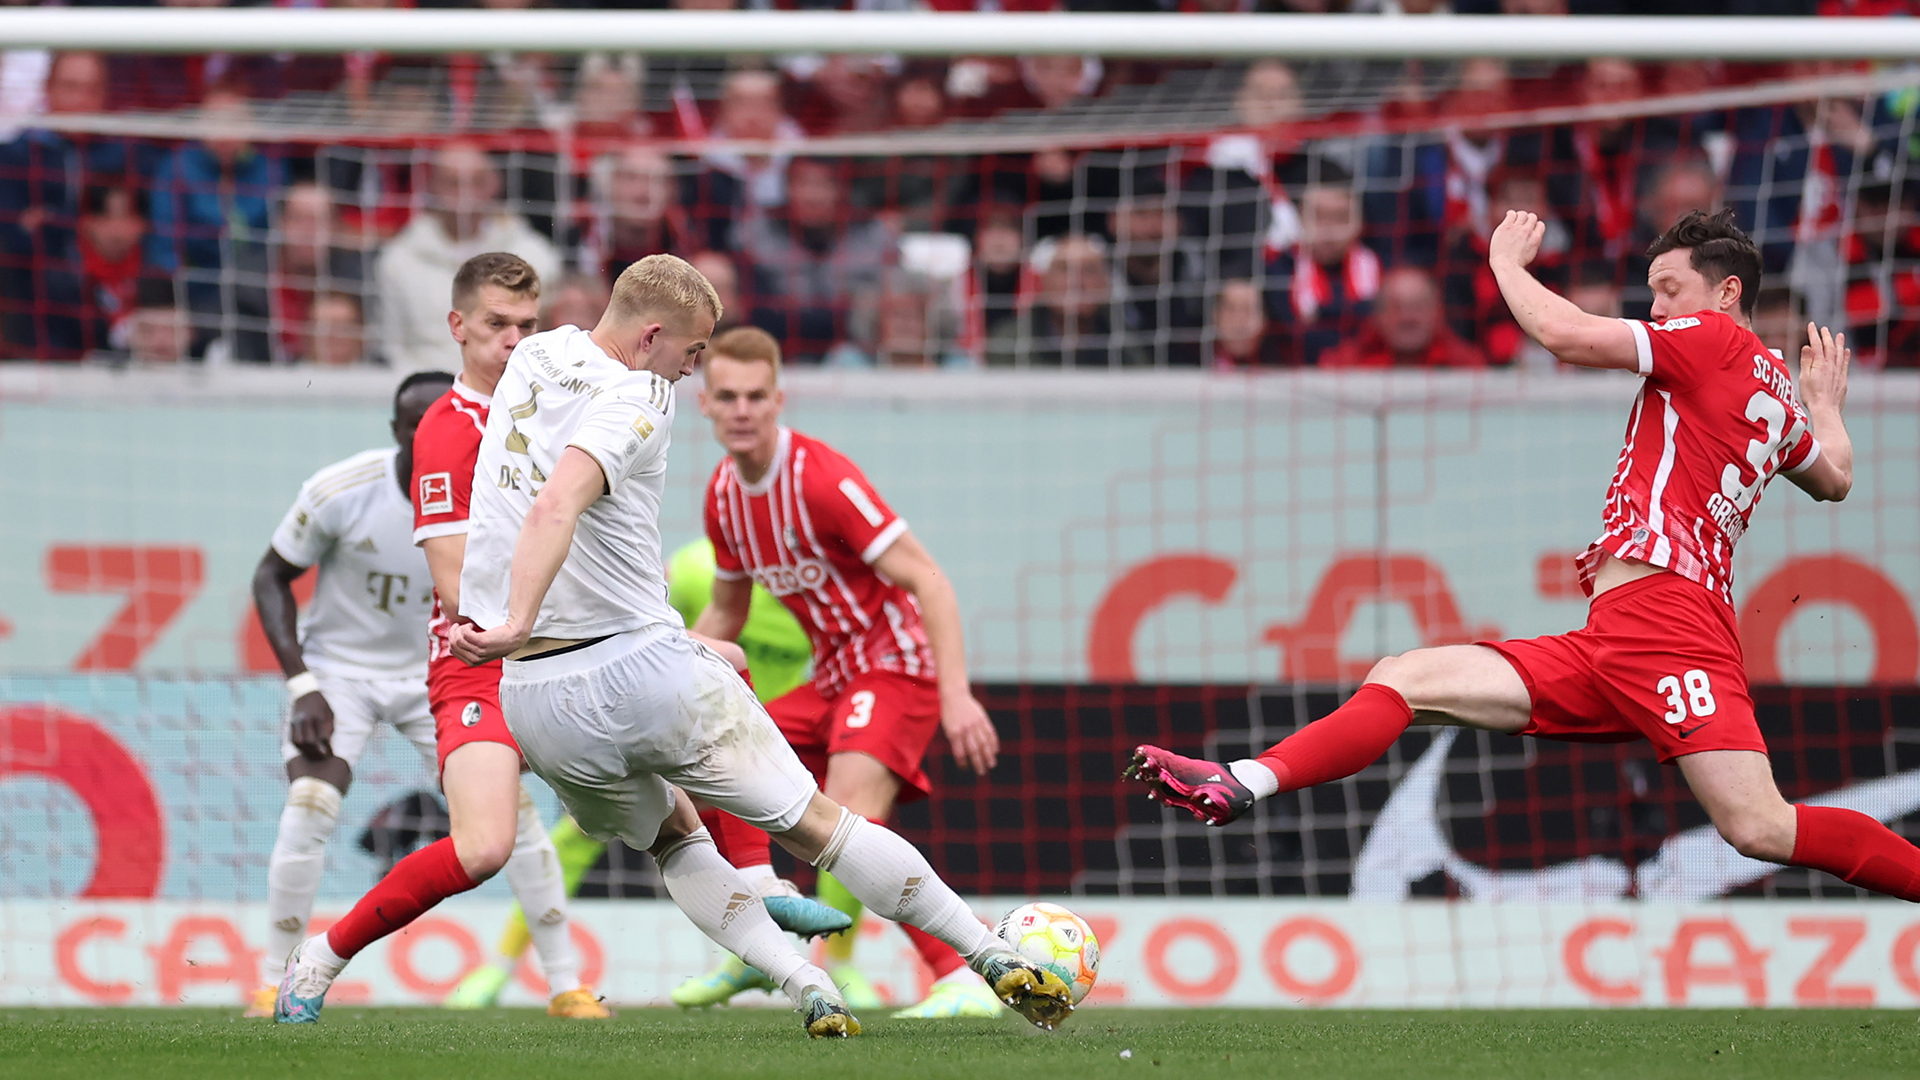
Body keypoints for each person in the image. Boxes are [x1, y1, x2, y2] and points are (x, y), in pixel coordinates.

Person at [276, 253, 1071, 1037]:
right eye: (693, 355)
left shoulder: (540, 353)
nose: (693, 375)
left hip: (535, 697)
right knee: (823, 825)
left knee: (672, 838)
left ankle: (803, 983)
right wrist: (519, 614)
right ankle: (990, 956)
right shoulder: (643, 394)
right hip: (621, 665)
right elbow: (559, 501)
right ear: (653, 336)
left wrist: (521, 629)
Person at [1124, 209, 1920, 912]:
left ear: (1726, 296)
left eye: (1670, 288)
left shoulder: (1709, 340)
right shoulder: (1777, 392)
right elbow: (1836, 477)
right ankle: (1243, 779)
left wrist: (1506, 263)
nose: (1658, 306)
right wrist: (1824, 406)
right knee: (1405, 676)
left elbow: (1568, 335)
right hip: (1620, 635)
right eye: (1652, 290)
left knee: (1760, 826)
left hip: (1667, 624)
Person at [270, 255, 605, 1022]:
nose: (517, 342)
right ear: (458, 329)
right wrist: (302, 683)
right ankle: (281, 970)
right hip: (425, 663)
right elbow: (456, 590)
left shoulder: (555, 423)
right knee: (332, 805)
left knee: (660, 800)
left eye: (528, 325)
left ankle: (763, 945)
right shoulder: (404, 462)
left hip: (543, 649)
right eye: (498, 326)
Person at [671, 326, 1007, 1018]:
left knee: (847, 822)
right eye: (727, 396)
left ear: (778, 400)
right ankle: (761, 928)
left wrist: (956, 694)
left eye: (755, 397)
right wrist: (664, 668)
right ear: (703, 403)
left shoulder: (822, 479)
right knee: (703, 741)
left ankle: (961, 974)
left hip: (893, 667)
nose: (741, 409)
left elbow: (929, 580)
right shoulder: (723, 496)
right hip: (833, 678)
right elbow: (727, 610)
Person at [439, 534, 821, 1011]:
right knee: (581, 835)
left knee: (818, 820)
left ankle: (808, 962)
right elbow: (670, 632)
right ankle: (501, 965)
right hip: (679, 716)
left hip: (760, 730)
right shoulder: (697, 567)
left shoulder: (814, 587)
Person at [244, 371, 451, 1017]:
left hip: (434, 676)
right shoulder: (344, 489)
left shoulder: (488, 495)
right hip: (338, 674)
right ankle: (271, 981)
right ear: (397, 432)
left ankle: (567, 987)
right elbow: (271, 576)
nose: (431, 436)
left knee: (513, 820)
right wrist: (303, 684)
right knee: (310, 802)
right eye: (418, 424)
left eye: (443, 422)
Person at [373, 142, 562, 372]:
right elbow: (393, 348)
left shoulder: (536, 254)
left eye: (477, 181)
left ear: (495, 184)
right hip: (430, 388)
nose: (464, 193)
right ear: (431, 187)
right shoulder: (399, 259)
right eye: (452, 182)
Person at [1319, 267, 1491, 368]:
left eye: (1418, 306)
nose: (1408, 317)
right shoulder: (1344, 366)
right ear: (1377, 315)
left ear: (1437, 312)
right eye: (1396, 307)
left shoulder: (1467, 365)